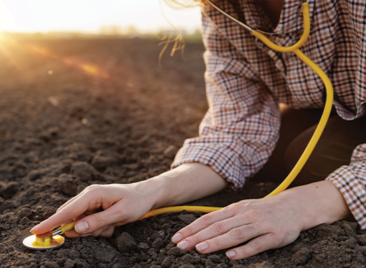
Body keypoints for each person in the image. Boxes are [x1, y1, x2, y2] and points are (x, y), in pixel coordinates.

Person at [30, 0, 366, 260]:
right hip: (339, 110)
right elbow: (237, 133)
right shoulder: (223, 9)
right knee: (281, 153)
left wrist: (307, 203)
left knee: (315, 156)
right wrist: (150, 190)